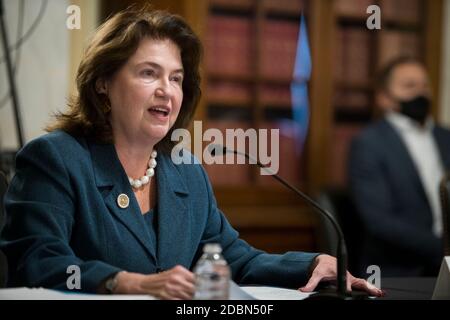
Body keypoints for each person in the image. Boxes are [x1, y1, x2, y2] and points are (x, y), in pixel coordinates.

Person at [0, 7, 381, 299]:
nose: (167, 90)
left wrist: (313, 262)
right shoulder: (55, 159)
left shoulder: (184, 170)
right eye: (149, 73)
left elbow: (235, 259)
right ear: (103, 83)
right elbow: (39, 261)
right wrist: (126, 282)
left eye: (176, 78)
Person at [349, 56, 450, 277]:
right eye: (409, 86)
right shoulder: (369, 143)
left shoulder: (445, 138)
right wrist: (443, 248)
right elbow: (379, 221)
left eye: (425, 85)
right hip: (400, 270)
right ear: (384, 98)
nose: (420, 93)